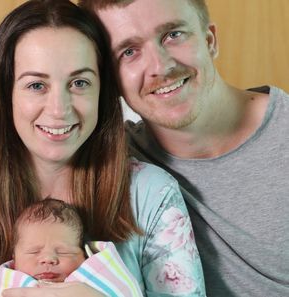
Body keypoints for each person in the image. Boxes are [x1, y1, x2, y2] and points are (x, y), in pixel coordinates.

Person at [0, 0, 205, 296]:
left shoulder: (150, 196)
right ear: (5, 94)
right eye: (36, 86)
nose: (59, 110)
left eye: (79, 82)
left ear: (102, 93)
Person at [78, 0, 289, 296]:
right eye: (129, 51)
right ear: (111, 80)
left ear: (210, 40)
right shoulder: (113, 166)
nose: (160, 66)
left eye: (173, 34)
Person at [0, 198, 143, 296]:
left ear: (84, 256)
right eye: (33, 252)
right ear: (14, 258)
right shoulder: (11, 288)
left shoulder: (100, 277)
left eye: (63, 252)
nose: (48, 259)